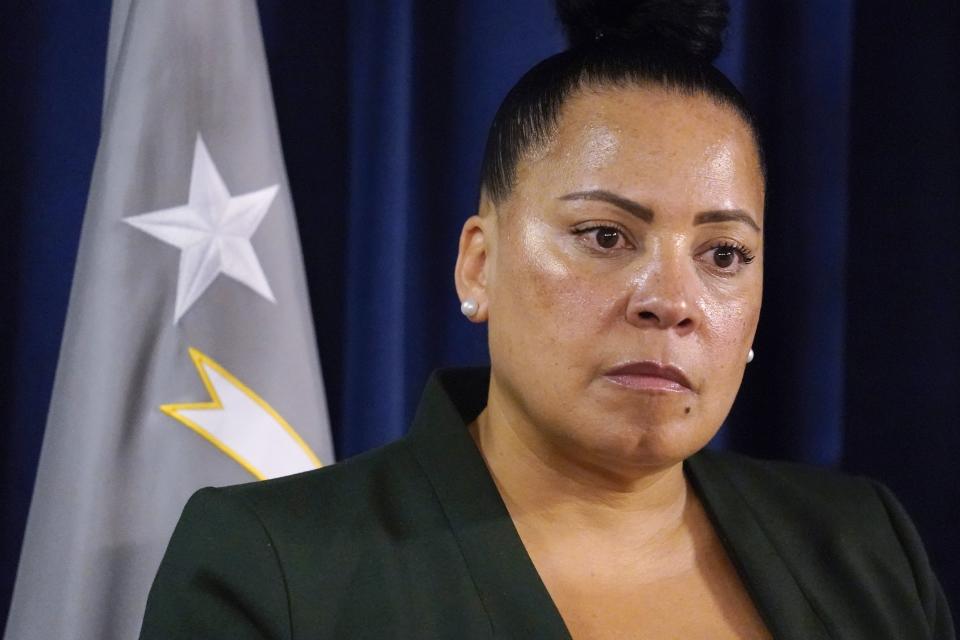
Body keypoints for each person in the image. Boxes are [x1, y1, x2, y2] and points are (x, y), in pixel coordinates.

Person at [139, 1, 955, 638]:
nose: (670, 300)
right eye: (606, 236)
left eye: (724, 254)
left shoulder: (864, 547)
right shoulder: (272, 567)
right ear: (479, 264)